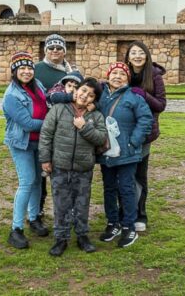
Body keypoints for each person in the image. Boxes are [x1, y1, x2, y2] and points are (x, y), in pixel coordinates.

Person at [39, 78, 107, 257]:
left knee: (82, 203)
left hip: (83, 167)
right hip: (60, 166)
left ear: (94, 99)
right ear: (77, 90)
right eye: (84, 91)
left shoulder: (96, 116)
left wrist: (84, 127)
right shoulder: (59, 109)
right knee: (61, 203)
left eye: (91, 95)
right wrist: (45, 158)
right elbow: (46, 134)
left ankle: (82, 236)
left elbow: (101, 138)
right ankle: (61, 238)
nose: (85, 96)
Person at [98, 62, 153, 248]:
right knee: (109, 188)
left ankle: (129, 225)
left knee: (127, 188)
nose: (117, 76)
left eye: (122, 74)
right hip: (106, 152)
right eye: (114, 73)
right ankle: (113, 222)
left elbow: (145, 119)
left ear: (127, 78)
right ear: (108, 76)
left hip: (127, 152)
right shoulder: (101, 96)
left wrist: (134, 141)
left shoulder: (133, 97)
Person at [3, 51, 50, 249]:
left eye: (29, 67)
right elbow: (28, 123)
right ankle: (16, 229)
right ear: (14, 71)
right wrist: (52, 123)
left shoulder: (37, 85)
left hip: (40, 142)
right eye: (21, 68)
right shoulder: (11, 95)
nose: (26, 71)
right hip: (22, 143)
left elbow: (47, 102)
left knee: (39, 180)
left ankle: (34, 218)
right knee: (27, 181)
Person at [124, 41, 167, 232]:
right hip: (124, 132)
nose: (137, 56)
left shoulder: (155, 76)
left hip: (145, 133)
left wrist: (143, 94)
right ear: (128, 56)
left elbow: (160, 105)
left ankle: (140, 214)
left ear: (147, 55)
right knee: (124, 175)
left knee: (139, 175)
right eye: (133, 53)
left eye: (141, 53)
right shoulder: (123, 73)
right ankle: (124, 212)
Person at [34, 34, 73, 218]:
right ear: (45, 50)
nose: (55, 51)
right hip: (43, 126)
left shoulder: (70, 71)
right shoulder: (36, 70)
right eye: (51, 48)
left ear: (64, 51)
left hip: (65, 128)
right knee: (41, 172)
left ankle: (66, 210)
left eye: (59, 48)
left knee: (63, 173)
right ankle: (38, 210)